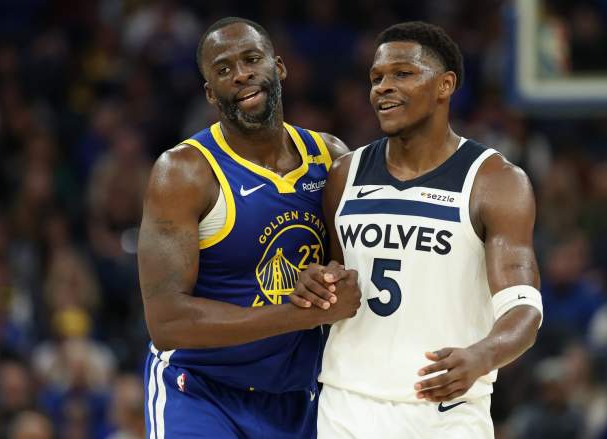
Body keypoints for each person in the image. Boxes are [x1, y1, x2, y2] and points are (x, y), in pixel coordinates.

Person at [296, 21, 543, 438]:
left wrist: (483, 355)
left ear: (445, 85)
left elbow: (525, 309)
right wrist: (317, 283)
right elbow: (335, 277)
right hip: (346, 405)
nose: (383, 87)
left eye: (403, 74)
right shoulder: (344, 174)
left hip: (447, 411)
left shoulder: (494, 181)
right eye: (376, 78)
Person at [137, 17, 359, 439]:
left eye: (252, 59)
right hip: (200, 393)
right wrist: (296, 314)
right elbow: (167, 323)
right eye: (223, 69)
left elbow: (345, 276)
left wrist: (328, 283)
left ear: (280, 66)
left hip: (299, 397)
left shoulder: (330, 157)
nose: (241, 74)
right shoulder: (184, 172)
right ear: (210, 92)